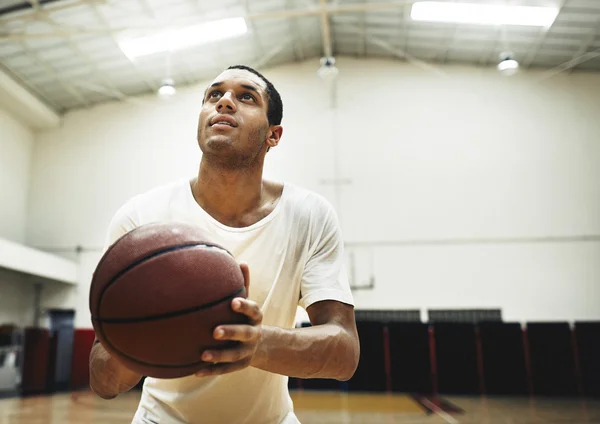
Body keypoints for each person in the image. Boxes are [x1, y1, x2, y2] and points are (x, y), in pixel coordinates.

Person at [89, 65, 360, 424]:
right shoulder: (142, 217)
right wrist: (143, 335)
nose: (225, 102)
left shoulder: (309, 215)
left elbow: (344, 352)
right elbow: (103, 381)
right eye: (213, 95)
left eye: (246, 96)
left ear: (273, 135)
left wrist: (255, 342)